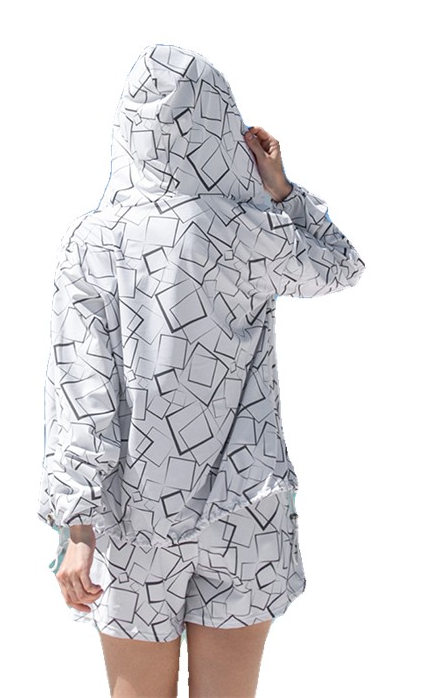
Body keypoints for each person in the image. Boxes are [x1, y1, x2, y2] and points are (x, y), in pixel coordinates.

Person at [36, 43, 366, 697]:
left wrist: (79, 528)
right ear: (222, 125)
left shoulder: (94, 242)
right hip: (246, 513)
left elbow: (83, 393)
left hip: (137, 523)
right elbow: (342, 265)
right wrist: (280, 190)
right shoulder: (249, 232)